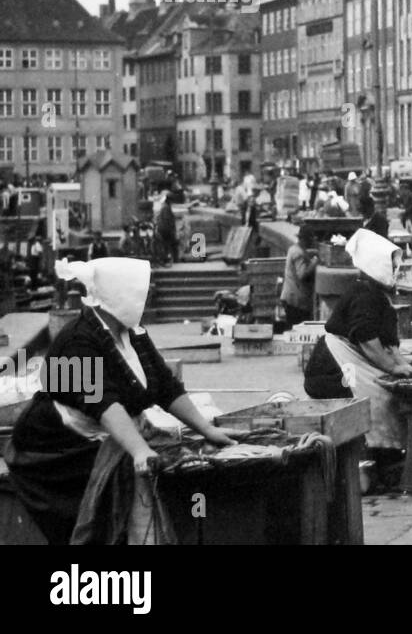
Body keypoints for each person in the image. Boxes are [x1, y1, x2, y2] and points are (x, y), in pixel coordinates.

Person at [4, 258, 237, 544]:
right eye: (141, 290)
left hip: (106, 434)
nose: (147, 295)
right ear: (120, 293)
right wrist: (139, 450)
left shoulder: (133, 332)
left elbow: (166, 386)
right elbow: (102, 402)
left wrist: (208, 430)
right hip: (57, 451)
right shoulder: (76, 339)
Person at [310, 229, 412, 485]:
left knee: (390, 390)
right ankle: (376, 463)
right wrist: (393, 367)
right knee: (379, 398)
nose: (396, 269)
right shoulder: (364, 295)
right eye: (391, 264)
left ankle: (385, 459)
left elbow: (388, 342)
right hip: (333, 368)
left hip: (349, 361)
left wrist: (403, 364)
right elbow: (367, 340)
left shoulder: (376, 296)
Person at [279, 237, 317, 332]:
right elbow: (302, 274)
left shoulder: (292, 249)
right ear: (306, 239)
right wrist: (314, 263)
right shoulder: (298, 253)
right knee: (297, 330)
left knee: (290, 328)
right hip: (296, 300)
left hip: (289, 296)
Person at [153, 195, 177, 266]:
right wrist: (171, 230)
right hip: (165, 230)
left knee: (166, 245)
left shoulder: (165, 207)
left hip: (163, 229)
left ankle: (166, 259)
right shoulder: (166, 208)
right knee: (167, 245)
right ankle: (166, 259)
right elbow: (167, 220)